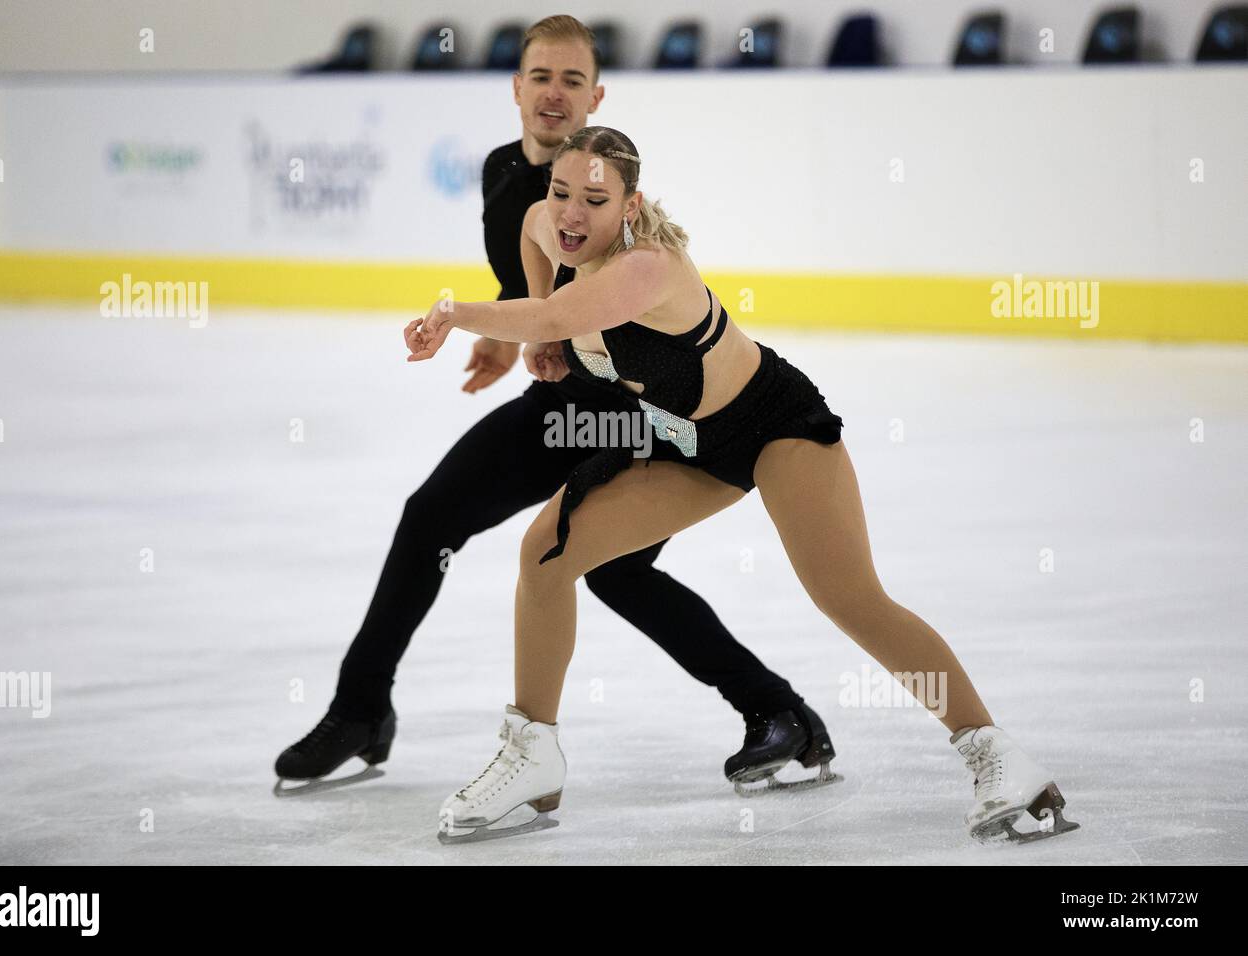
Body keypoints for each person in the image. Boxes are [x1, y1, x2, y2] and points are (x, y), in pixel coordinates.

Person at [406, 125, 1080, 846]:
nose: (571, 213)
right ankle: (532, 757)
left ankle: (997, 754)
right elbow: (535, 245)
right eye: (562, 190)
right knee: (546, 554)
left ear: (629, 207)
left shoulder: (648, 268)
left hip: (771, 427)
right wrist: (545, 343)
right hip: (685, 442)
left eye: (594, 200)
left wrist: (464, 316)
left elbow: (554, 313)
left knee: (848, 597)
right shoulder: (551, 220)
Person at [274, 16, 839, 797]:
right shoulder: (504, 176)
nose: (554, 93)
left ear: (595, 96)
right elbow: (539, 287)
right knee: (431, 513)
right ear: (516, 87)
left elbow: (606, 307)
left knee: (613, 572)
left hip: (644, 414)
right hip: (565, 401)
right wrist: (513, 337)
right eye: (541, 76)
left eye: (573, 81)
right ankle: (361, 708)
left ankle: (778, 711)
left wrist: (519, 326)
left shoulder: (611, 198)